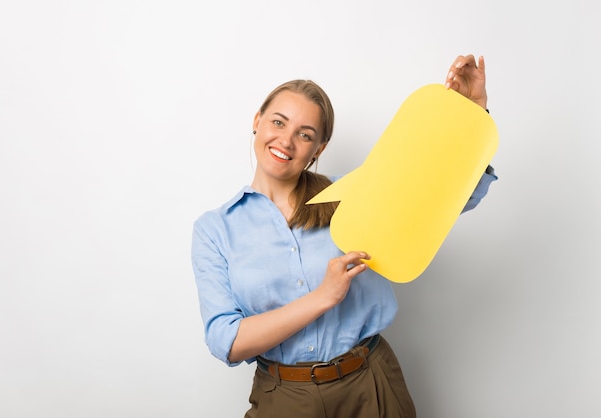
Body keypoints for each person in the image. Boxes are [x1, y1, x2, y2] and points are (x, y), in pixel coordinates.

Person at [191, 54, 497, 418]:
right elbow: (227, 341)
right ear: (257, 122)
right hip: (284, 398)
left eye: (305, 134)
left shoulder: (353, 195)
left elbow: (447, 197)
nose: (286, 141)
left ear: (318, 149)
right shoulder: (215, 229)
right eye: (278, 122)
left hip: (372, 385)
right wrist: (323, 297)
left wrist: (471, 117)